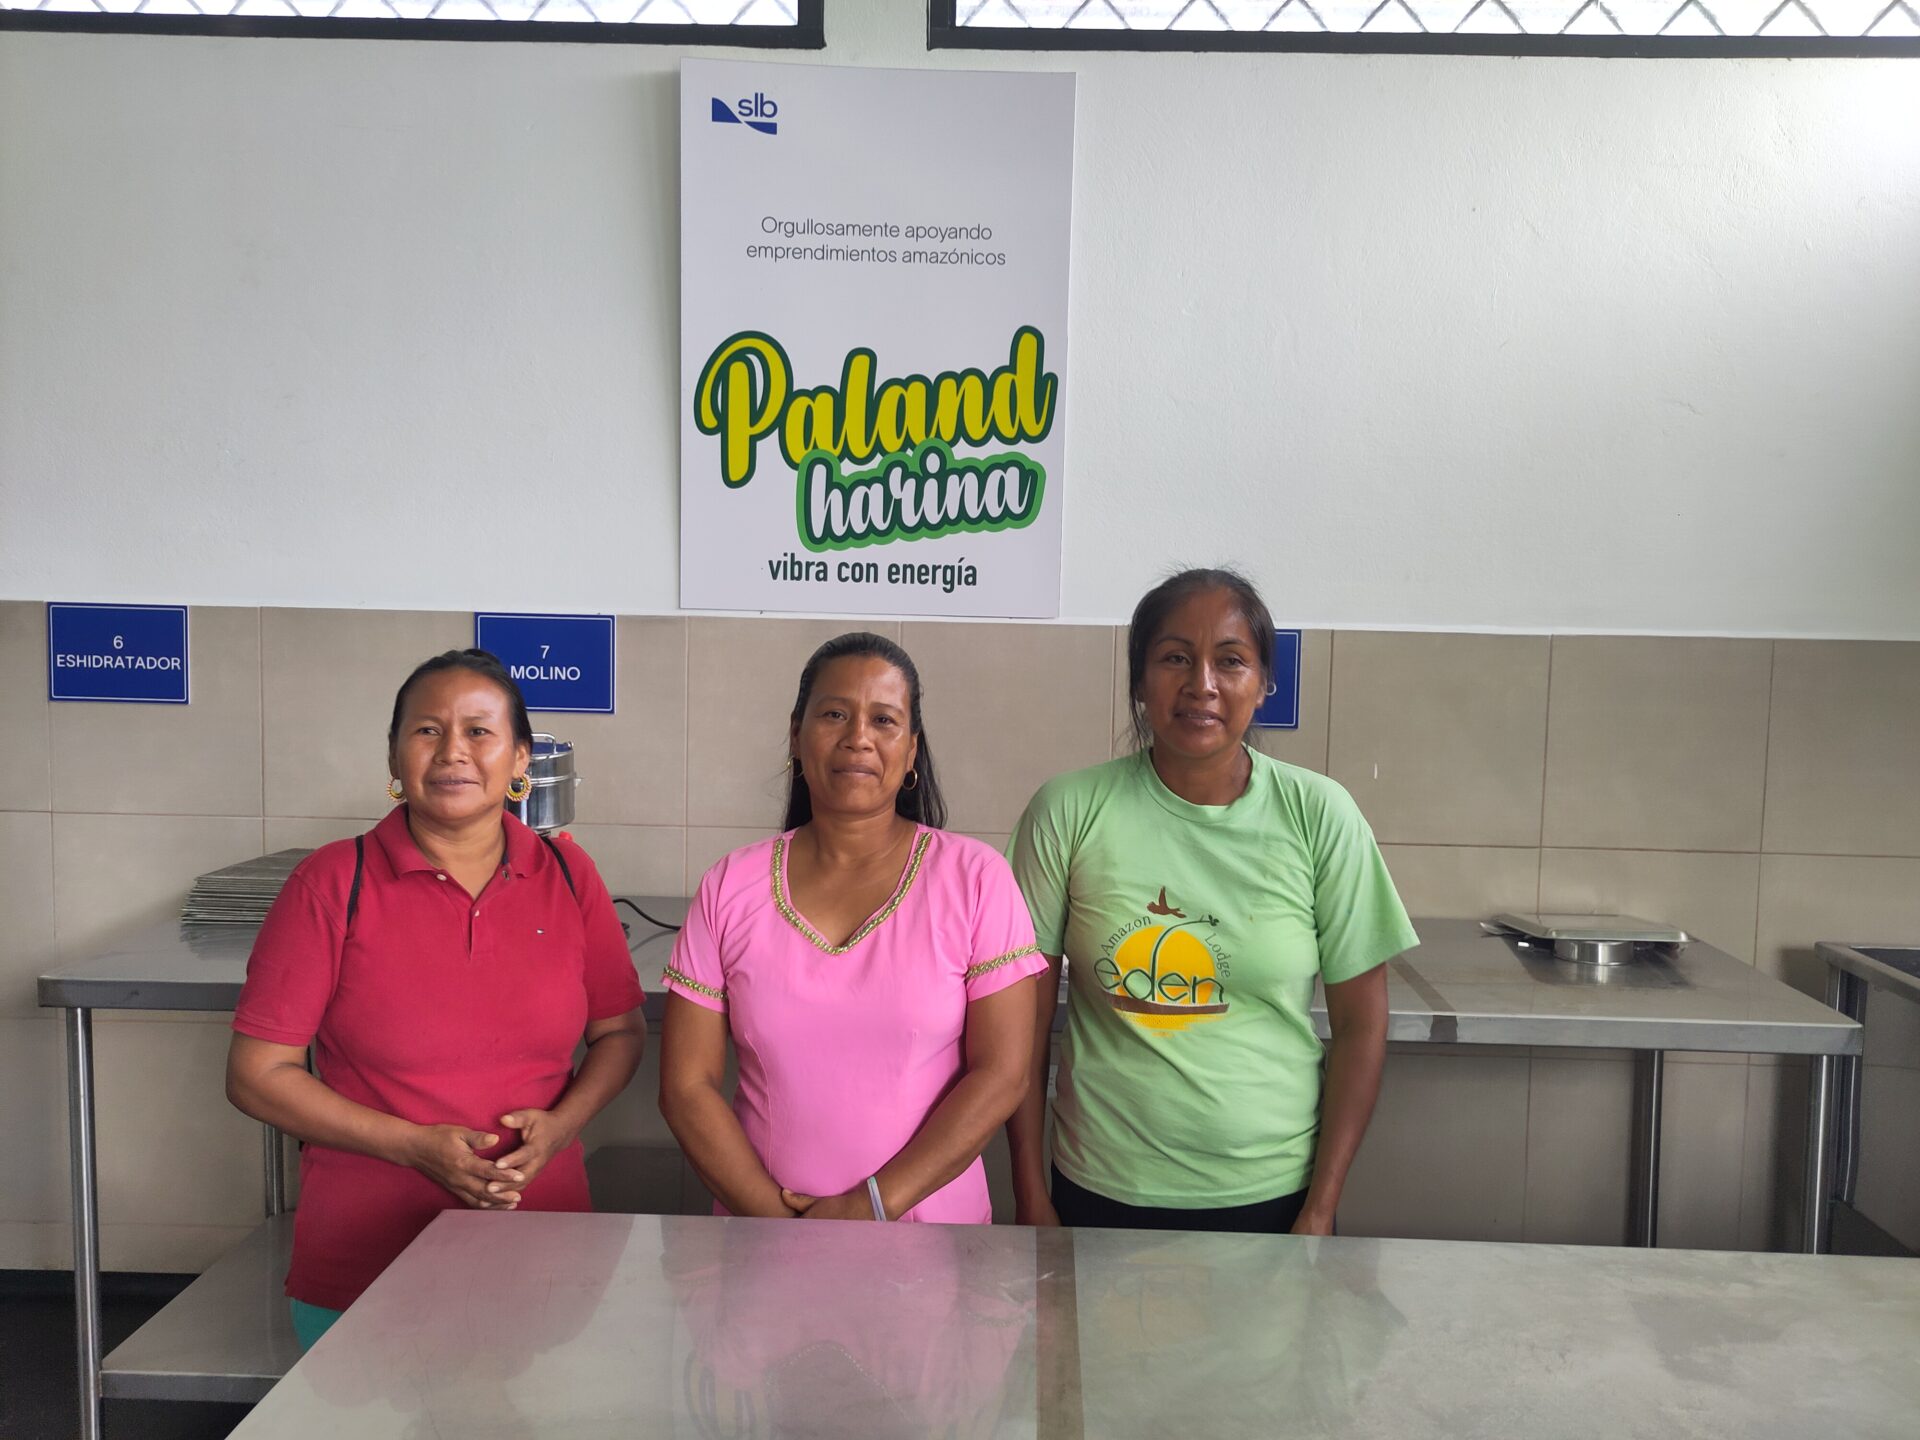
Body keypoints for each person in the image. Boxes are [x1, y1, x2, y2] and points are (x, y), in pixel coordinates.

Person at [226, 649, 646, 1347]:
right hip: (363, 1268)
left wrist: (564, 1123)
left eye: (480, 732)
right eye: (427, 731)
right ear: (395, 759)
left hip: (543, 1252)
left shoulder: (570, 876)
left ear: (519, 761)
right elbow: (256, 1075)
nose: (453, 751)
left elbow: (620, 1034)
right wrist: (415, 1147)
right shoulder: (331, 884)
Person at [1005, 569, 1416, 1234]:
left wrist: (1321, 1206)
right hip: (1099, 1194)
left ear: (1264, 683)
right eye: (1174, 658)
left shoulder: (1320, 814)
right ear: (1139, 682)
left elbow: (1363, 1027)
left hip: (1274, 1198)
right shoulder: (1068, 810)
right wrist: (1030, 1192)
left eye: (1230, 661)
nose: (1201, 684)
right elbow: (1017, 1024)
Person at [659, 632, 1044, 1224]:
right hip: (762, 1244)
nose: (858, 737)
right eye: (834, 713)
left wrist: (870, 1208)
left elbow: (1002, 1075)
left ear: (912, 750)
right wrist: (776, 1223)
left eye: (884, 720)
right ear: (796, 733)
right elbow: (687, 1088)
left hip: (929, 1248)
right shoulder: (729, 886)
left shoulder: (975, 879)